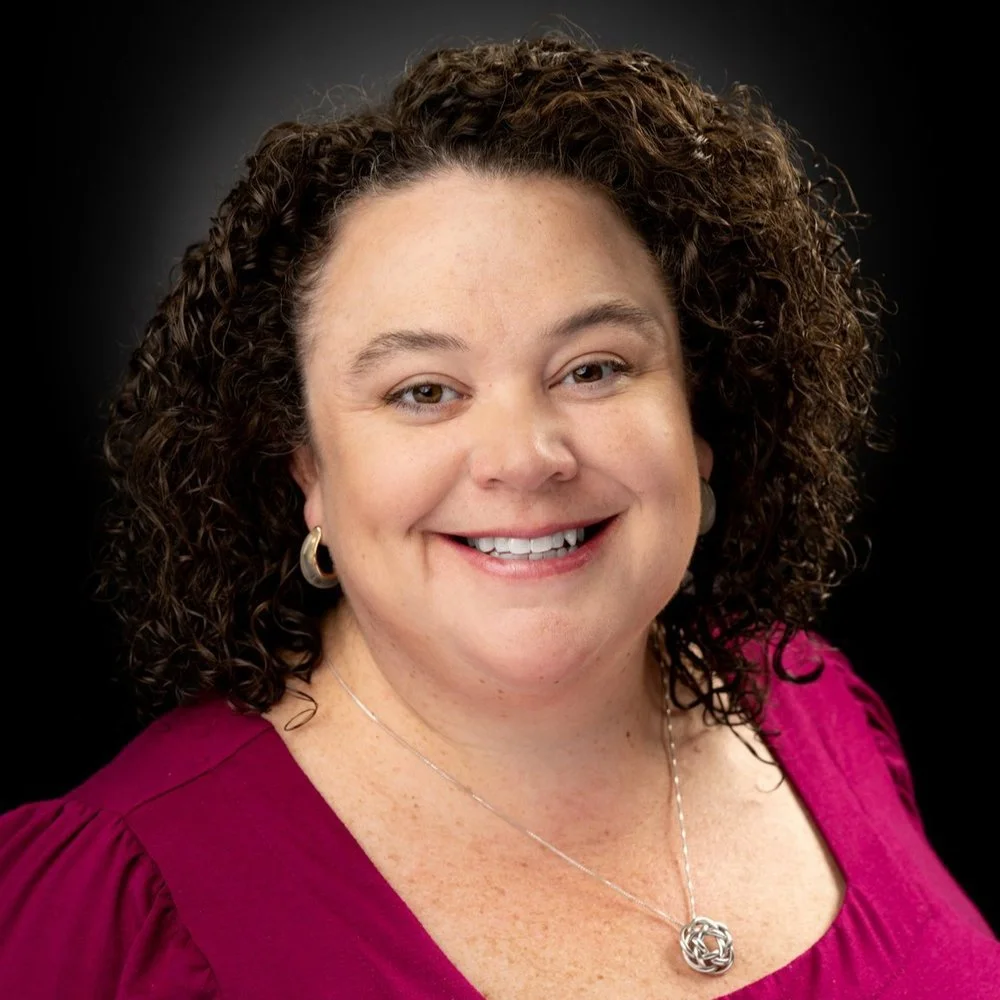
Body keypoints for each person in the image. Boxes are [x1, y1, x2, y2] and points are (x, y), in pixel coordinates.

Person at [1, 32, 995, 999]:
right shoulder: (115, 899)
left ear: (702, 415)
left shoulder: (823, 706)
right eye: (422, 391)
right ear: (306, 470)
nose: (524, 458)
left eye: (594, 368)